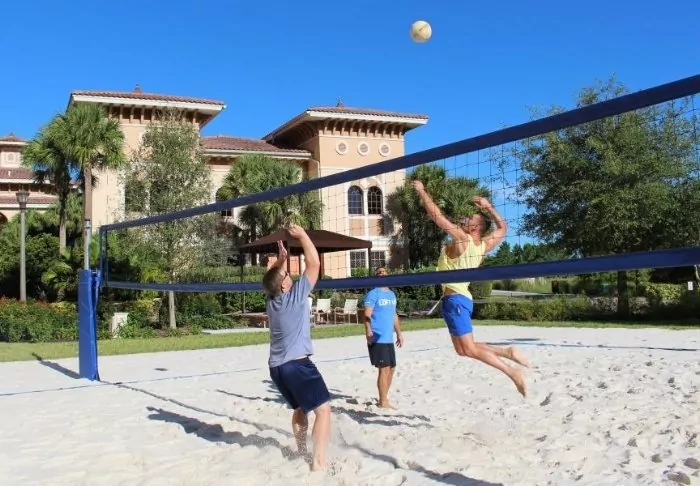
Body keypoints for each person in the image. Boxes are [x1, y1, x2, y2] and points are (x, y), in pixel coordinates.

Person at [412, 180, 531, 397]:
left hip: (456, 299)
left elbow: (437, 216)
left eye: (469, 218)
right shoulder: (483, 246)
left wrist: (422, 191)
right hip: (456, 300)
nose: (464, 219)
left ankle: (512, 372)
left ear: (475, 227)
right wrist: (488, 206)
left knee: (468, 348)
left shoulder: (463, 240)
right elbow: (503, 228)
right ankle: (507, 352)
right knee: (462, 350)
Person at [262, 224, 331, 471]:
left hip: (276, 369)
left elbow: (270, 278)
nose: (290, 274)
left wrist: (281, 260)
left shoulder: (271, 300)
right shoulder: (294, 296)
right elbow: (314, 265)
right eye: (286, 274)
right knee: (323, 411)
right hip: (297, 365)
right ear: (284, 285)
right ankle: (318, 463)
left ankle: (301, 450)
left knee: (301, 408)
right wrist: (302, 236)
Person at [363, 267, 404, 409]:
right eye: (379, 272)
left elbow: (394, 315)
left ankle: (384, 398)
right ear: (376, 277)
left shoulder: (392, 295)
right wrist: (368, 329)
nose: (381, 273)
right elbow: (366, 314)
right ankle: (383, 401)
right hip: (377, 336)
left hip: (388, 338)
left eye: (384, 271)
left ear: (388, 275)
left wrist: (399, 333)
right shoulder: (373, 294)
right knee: (384, 368)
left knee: (391, 368)